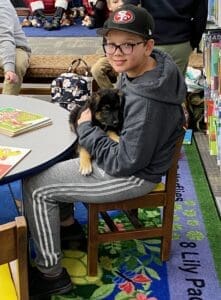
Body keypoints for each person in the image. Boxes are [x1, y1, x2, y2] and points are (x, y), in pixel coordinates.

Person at [23, 4, 186, 298]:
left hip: (134, 173)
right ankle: (68, 226)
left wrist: (87, 128)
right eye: (111, 43)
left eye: (128, 44)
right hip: (133, 153)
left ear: (149, 45)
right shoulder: (151, 65)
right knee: (59, 151)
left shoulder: (147, 102)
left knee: (36, 184)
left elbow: (123, 163)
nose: (116, 52)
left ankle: (50, 274)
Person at [91, 0, 208, 88]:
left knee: (143, 87)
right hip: (181, 41)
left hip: (151, 41)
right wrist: (192, 43)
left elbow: (129, 5)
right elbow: (201, 16)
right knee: (174, 87)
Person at [0, 0, 31, 95]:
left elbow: (5, 38)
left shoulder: (2, 4)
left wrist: (9, 69)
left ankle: (5, 107)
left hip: (15, 47)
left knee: (17, 65)